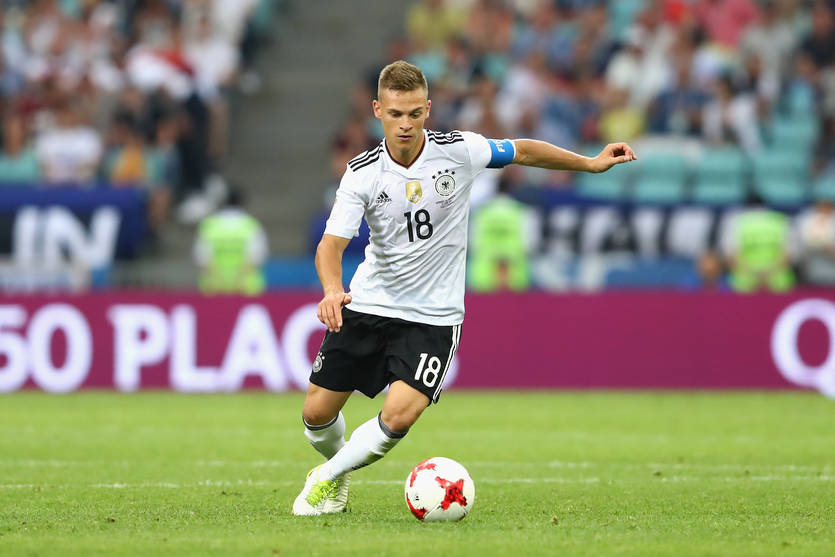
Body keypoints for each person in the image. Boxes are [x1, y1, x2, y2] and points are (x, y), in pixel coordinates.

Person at [292, 60, 636, 516]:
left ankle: (325, 479)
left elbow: (522, 151)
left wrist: (588, 164)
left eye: (414, 113)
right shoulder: (362, 173)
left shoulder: (459, 151)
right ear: (377, 111)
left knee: (400, 415)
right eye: (395, 114)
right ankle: (337, 471)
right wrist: (332, 290)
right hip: (371, 302)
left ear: (428, 109)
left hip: (434, 316)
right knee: (316, 415)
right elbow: (330, 246)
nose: (405, 124)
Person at [192, 187, 268, 295]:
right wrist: (238, 278)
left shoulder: (209, 226)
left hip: (213, 289)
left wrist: (220, 279)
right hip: (246, 289)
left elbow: (201, 258)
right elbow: (257, 257)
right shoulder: (251, 226)